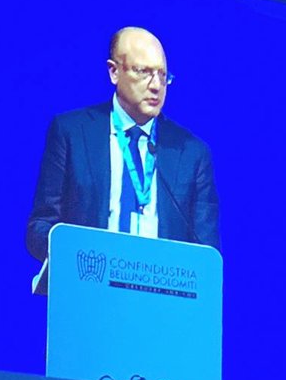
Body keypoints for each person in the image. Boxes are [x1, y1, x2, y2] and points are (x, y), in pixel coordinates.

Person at [25, 27, 221, 272]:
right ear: (114, 72)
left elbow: (206, 253)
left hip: (161, 287)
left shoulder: (191, 153)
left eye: (163, 75)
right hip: (89, 278)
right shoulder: (72, 133)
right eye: (143, 72)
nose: (156, 86)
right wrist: (77, 255)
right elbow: (40, 226)